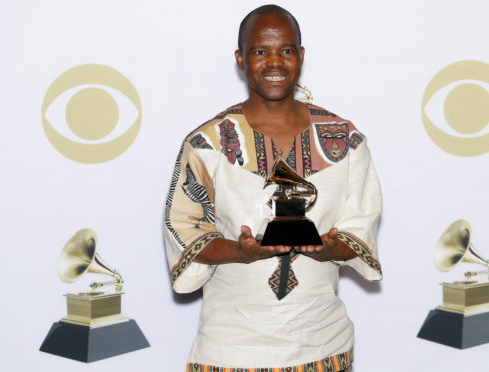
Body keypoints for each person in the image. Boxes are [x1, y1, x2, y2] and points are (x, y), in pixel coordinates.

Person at [163, 5, 382, 371]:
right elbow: (184, 229)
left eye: (286, 50)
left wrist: (328, 249)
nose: (275, 62)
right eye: (260, 51)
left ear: (301, 55)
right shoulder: (208, 143)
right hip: (232, 348)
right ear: (240, 59)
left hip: (323, 344)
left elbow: (361, 225)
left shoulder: (343, 139)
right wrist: (240, 251)